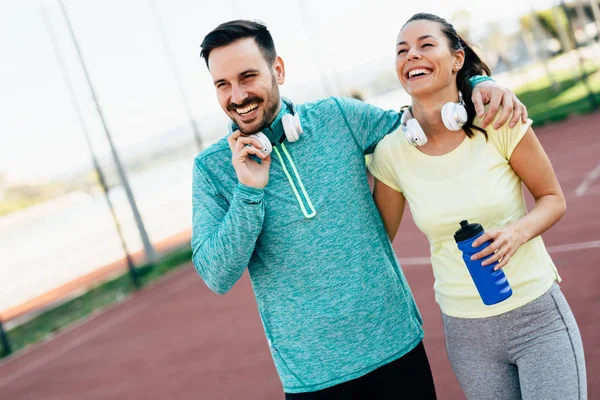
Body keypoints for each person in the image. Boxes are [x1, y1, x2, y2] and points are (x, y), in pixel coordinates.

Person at [192, 19, 527, 399]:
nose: (237, 95)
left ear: (278, 70)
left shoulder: (337, 116)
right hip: (312, 376)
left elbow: (419, 124)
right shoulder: (212, 169)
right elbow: (216, 275)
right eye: (223, 84)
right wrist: (248, 192)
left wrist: (475, 83)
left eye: (247, 77)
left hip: (396, 346)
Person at [368, 13, 587, 400]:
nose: (411, 56)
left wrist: (518, 232)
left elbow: (553, 199)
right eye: (402, 51)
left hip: (537, 316)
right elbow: (373, 237)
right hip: (467, 335)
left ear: (457, 59)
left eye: (425, 45)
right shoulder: (391, 154)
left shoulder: (499, 121)